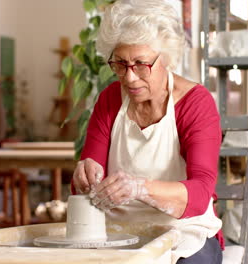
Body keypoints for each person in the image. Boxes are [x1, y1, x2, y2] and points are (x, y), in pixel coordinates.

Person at [72, 0, 223, 263]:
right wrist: (85, 175)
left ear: (166, 57)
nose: (129, 77)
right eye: (120, 64)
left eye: (141, 64)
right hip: (116, 235)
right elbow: (88, 177)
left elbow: (200, 193)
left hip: (183, 233)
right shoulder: (110, 100)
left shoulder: (195, 103)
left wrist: (139, 188)